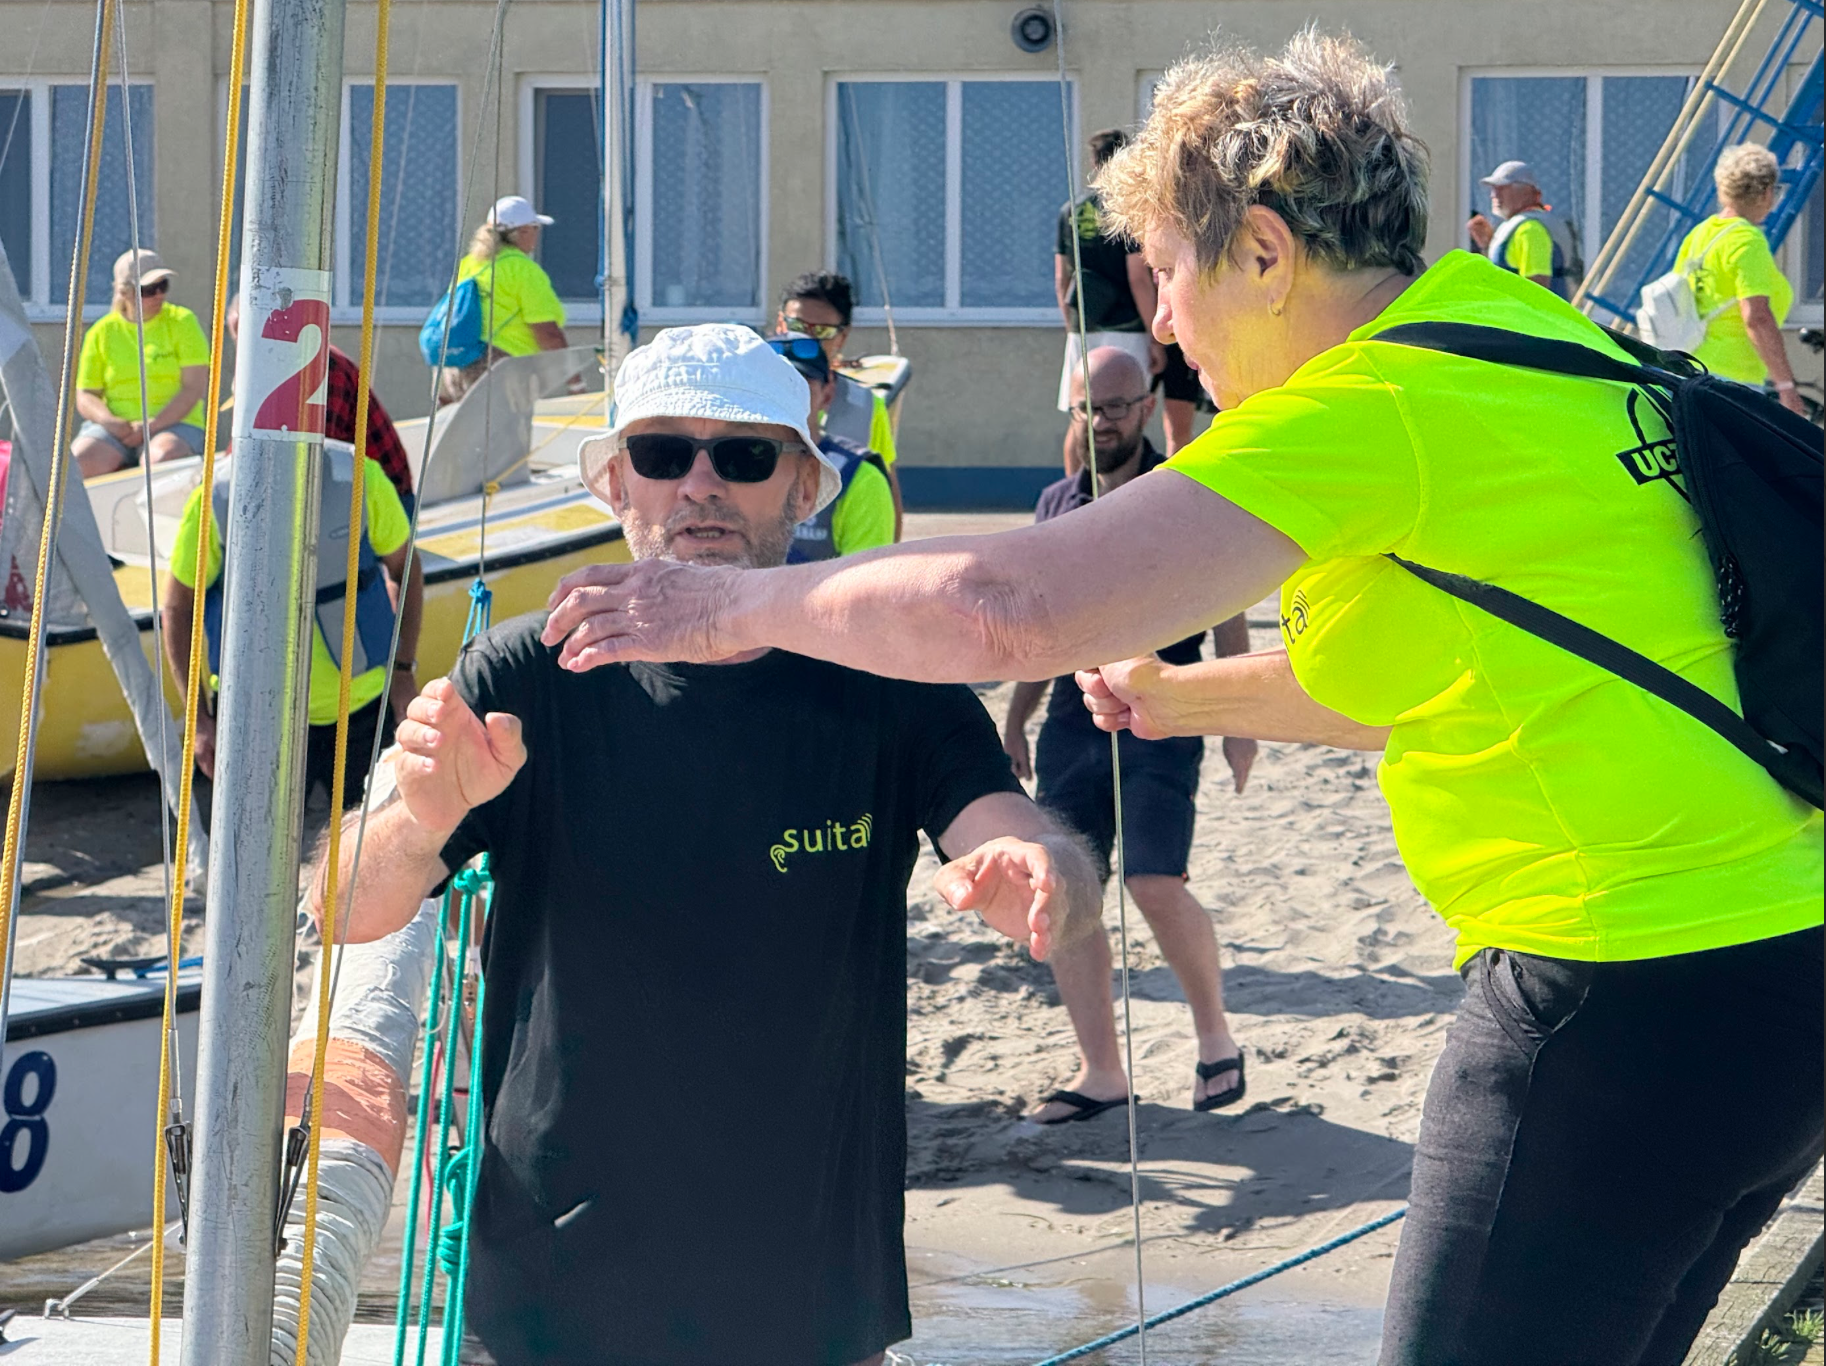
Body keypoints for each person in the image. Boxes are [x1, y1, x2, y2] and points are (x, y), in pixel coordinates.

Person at [540, 33, 1824, 1366]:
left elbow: (1004, 605)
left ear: (1262, 252)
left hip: (1616, 983)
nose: (1157, 321)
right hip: (1777, 964)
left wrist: (727, 606)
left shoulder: (1371, 403)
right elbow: (1434, 688)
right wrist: (1179, 695)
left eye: (1164, 272)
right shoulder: (1524, 335)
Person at [312, 323, 1100, 1366]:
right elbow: (345, 913)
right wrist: (421, 817)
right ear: (615, 484)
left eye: (742, 455)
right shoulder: (529, 673)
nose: (699, 484)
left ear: (802, 487)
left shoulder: (890, 683)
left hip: (810, 1291)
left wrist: (1041, 877)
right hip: (550, 1286)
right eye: (660, 453)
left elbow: (1043, 862)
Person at [1003, 346, 1256, 1123]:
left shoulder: (1182, 493)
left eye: (1115, 406)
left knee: (1154, 882)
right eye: (1087, 408)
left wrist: (1238, 722)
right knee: (1068, 892)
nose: (1101, 422)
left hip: (1163, 709)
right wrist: (1015, 718)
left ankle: (1215, 1038)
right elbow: (1038, 625)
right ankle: (1102, 1073)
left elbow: (1229, 605)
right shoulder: (1057, 502)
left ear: (1147, 406)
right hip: (1072, 719)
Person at [162, 439, 423, 809]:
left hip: (364, 711)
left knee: (376, 841)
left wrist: (402, 672)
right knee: (253, 846)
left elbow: (406, 569)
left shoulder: (361, 477)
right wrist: (199, 719)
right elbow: (177, 607)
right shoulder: (215, 498)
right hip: (256, 720)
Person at [226, 293, 417, 512]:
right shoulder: (279, 367)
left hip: (383, 500)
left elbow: (317, 459)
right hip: (345, 490)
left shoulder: (319, 368)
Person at [1672, 143, 1805, 413]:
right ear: (1765, 193)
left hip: (1689, 370)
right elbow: (1757, 317)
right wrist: (1786, 387)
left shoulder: (1699, 235)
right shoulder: (1747, 240)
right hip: (1733, 378)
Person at [776, 271, 904, 538]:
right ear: (780, 323)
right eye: (797, 326)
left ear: (842, 337)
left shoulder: (866, 406)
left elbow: (887, 498)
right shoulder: (744, 390)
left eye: (822, 331)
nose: (808, 338)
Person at [72, 249, 210, 478]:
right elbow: (86, 395)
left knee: (161, 458)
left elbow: (193, 388)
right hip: (116, 430)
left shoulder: (183, 322)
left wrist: (150, 426)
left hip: (176, 424)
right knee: (77, 462)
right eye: (148, 290)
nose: (159, 295)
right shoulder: (101, 332)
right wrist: (112, 423)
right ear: (124, 292)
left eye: (163, 285)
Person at [767, 334, 895, 561]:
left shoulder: (860, 478)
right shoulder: (717, 466)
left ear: (827, 395)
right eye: (772, 385)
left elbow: (869, 579)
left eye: (800, 386)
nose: (784, 397)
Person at [440, 194, 570, 405]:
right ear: (524, 231)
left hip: (454, 367)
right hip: (500, 370)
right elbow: (548, 333)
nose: (537, 234)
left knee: (466, 427)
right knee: (505, 428)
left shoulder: (469, 264)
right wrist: (574, 383)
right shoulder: (523, 270)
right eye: (535, 228)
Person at [1465, 160, 1580, 299]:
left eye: (1502, 188)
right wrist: (1486, 245)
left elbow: (1537, 289)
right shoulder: (1519, 227)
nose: (1494, 195)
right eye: (1494, 189)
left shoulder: (1531, 229)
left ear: (1526, 192)